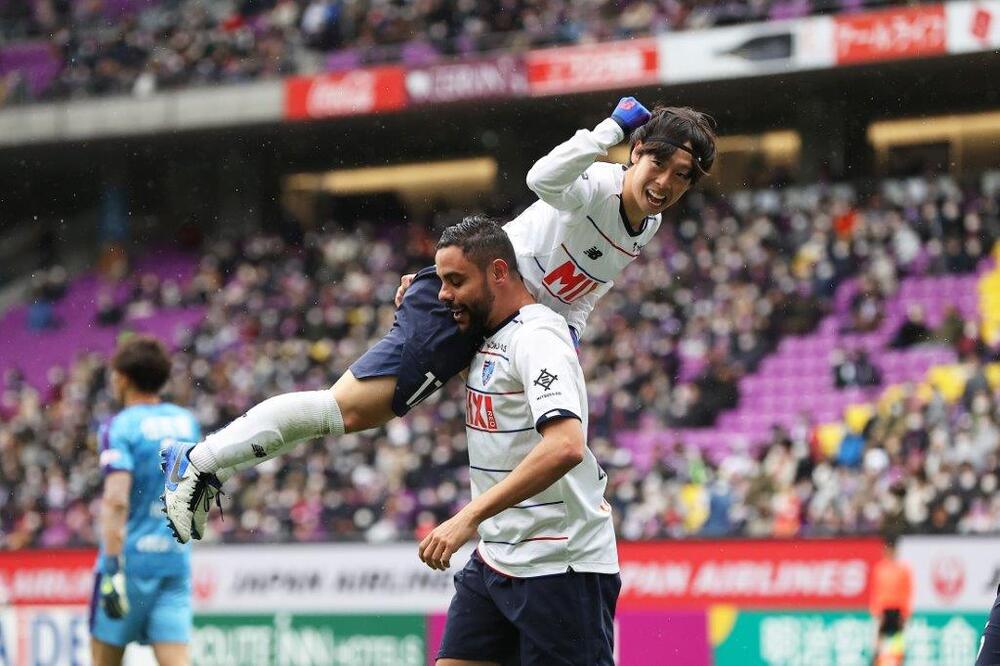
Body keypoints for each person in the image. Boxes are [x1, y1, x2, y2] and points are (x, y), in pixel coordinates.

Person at [162, 96, 717, 543]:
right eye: (658, 164)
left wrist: (566, 334)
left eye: (682, 176)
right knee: (346, 410)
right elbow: (542, 179)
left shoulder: (647, 224)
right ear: (635, 151)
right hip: (468, 304)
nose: (665, 183)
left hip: (510, 325)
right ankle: (200, 461)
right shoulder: (596, 186)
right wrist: (607, 131)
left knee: (376, 417)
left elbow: (585, 289)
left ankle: (209, 464)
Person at [420, 215, 619, 665]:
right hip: (497, 557)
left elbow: (566, 445)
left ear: (498, 272)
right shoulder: (485, 334)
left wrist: (467, 517)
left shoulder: (537, 337)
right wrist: (413, 297)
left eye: (455, 281)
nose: (444, 294)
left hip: (560, 564)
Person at [92, 335, 201, 666]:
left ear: (122, 378)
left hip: (130, 562)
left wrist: (112, 568)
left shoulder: (120, 426)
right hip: (173, 559)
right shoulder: (186, 423)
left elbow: (116, 500)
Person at [870, 535, 913, 666]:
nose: (890, 553)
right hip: (883, 610)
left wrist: (905, 613)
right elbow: (875, 591)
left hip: (898, 610)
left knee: (898, 641)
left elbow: (907, 591)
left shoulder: (903, 570)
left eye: (892, 550)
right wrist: (876, 612)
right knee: (878, 643)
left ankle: (897, 663)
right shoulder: (879, 569)